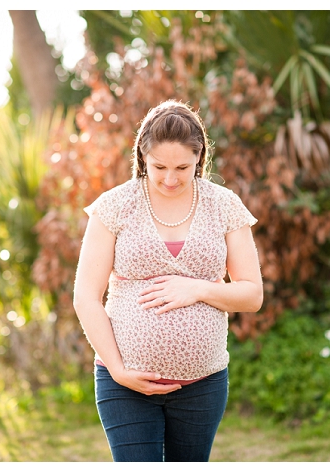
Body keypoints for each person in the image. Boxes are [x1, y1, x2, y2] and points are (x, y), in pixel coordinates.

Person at [73, 100, 263, 462]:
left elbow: (252, 295)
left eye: (183, 167)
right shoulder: (115, 206)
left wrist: (198, 288)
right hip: (123, 384)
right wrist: (118, 370)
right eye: (159, 167)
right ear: (142, 157)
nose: (171, 178)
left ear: (200, 157)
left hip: (202, 386)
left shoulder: (224, 205)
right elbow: (86, 297)